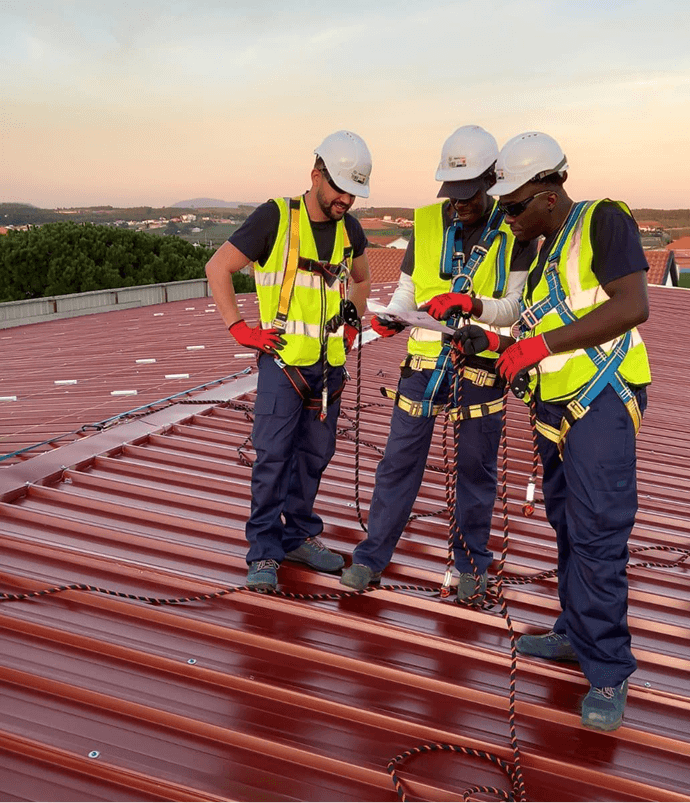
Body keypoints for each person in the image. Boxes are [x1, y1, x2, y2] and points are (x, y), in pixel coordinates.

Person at [453, 131, 651, 731]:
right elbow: (535, 327)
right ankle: (574, 631)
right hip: (556, 409)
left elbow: (632, 304)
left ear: (548, 192)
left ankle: (610, 669)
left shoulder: (603, 222)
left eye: (512, 206)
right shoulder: (542, 248)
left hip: (602, 403)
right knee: (568, 524)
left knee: (597, 532)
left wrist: (536, 344)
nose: (506, 218)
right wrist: (489, 341)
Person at [340, 125, 535, 604]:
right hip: (425, 366)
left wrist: (472, 305)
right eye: (453, 193)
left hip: (480, 366)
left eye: (469, 194)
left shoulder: (514, 229)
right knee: (398, 463)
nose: (459, 204)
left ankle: (471, 565)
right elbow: (409, 290)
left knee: (475, 469)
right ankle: (371, 557)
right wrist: (393, 317)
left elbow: (513, 304)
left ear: (492, 181)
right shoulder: (428, 222)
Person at [205, 131, 372, 591]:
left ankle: (297, 536)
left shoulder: (349, 229)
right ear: (316, 175)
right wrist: (239, 328)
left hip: (328, 369)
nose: (346, 200)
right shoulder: (276, 218)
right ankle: (263, 551)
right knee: (273, 458)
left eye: (353, 192)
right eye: (339, 189)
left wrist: (353, 317)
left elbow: (361, 278)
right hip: (283, 366)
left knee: (315, 456)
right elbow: (217, 267)